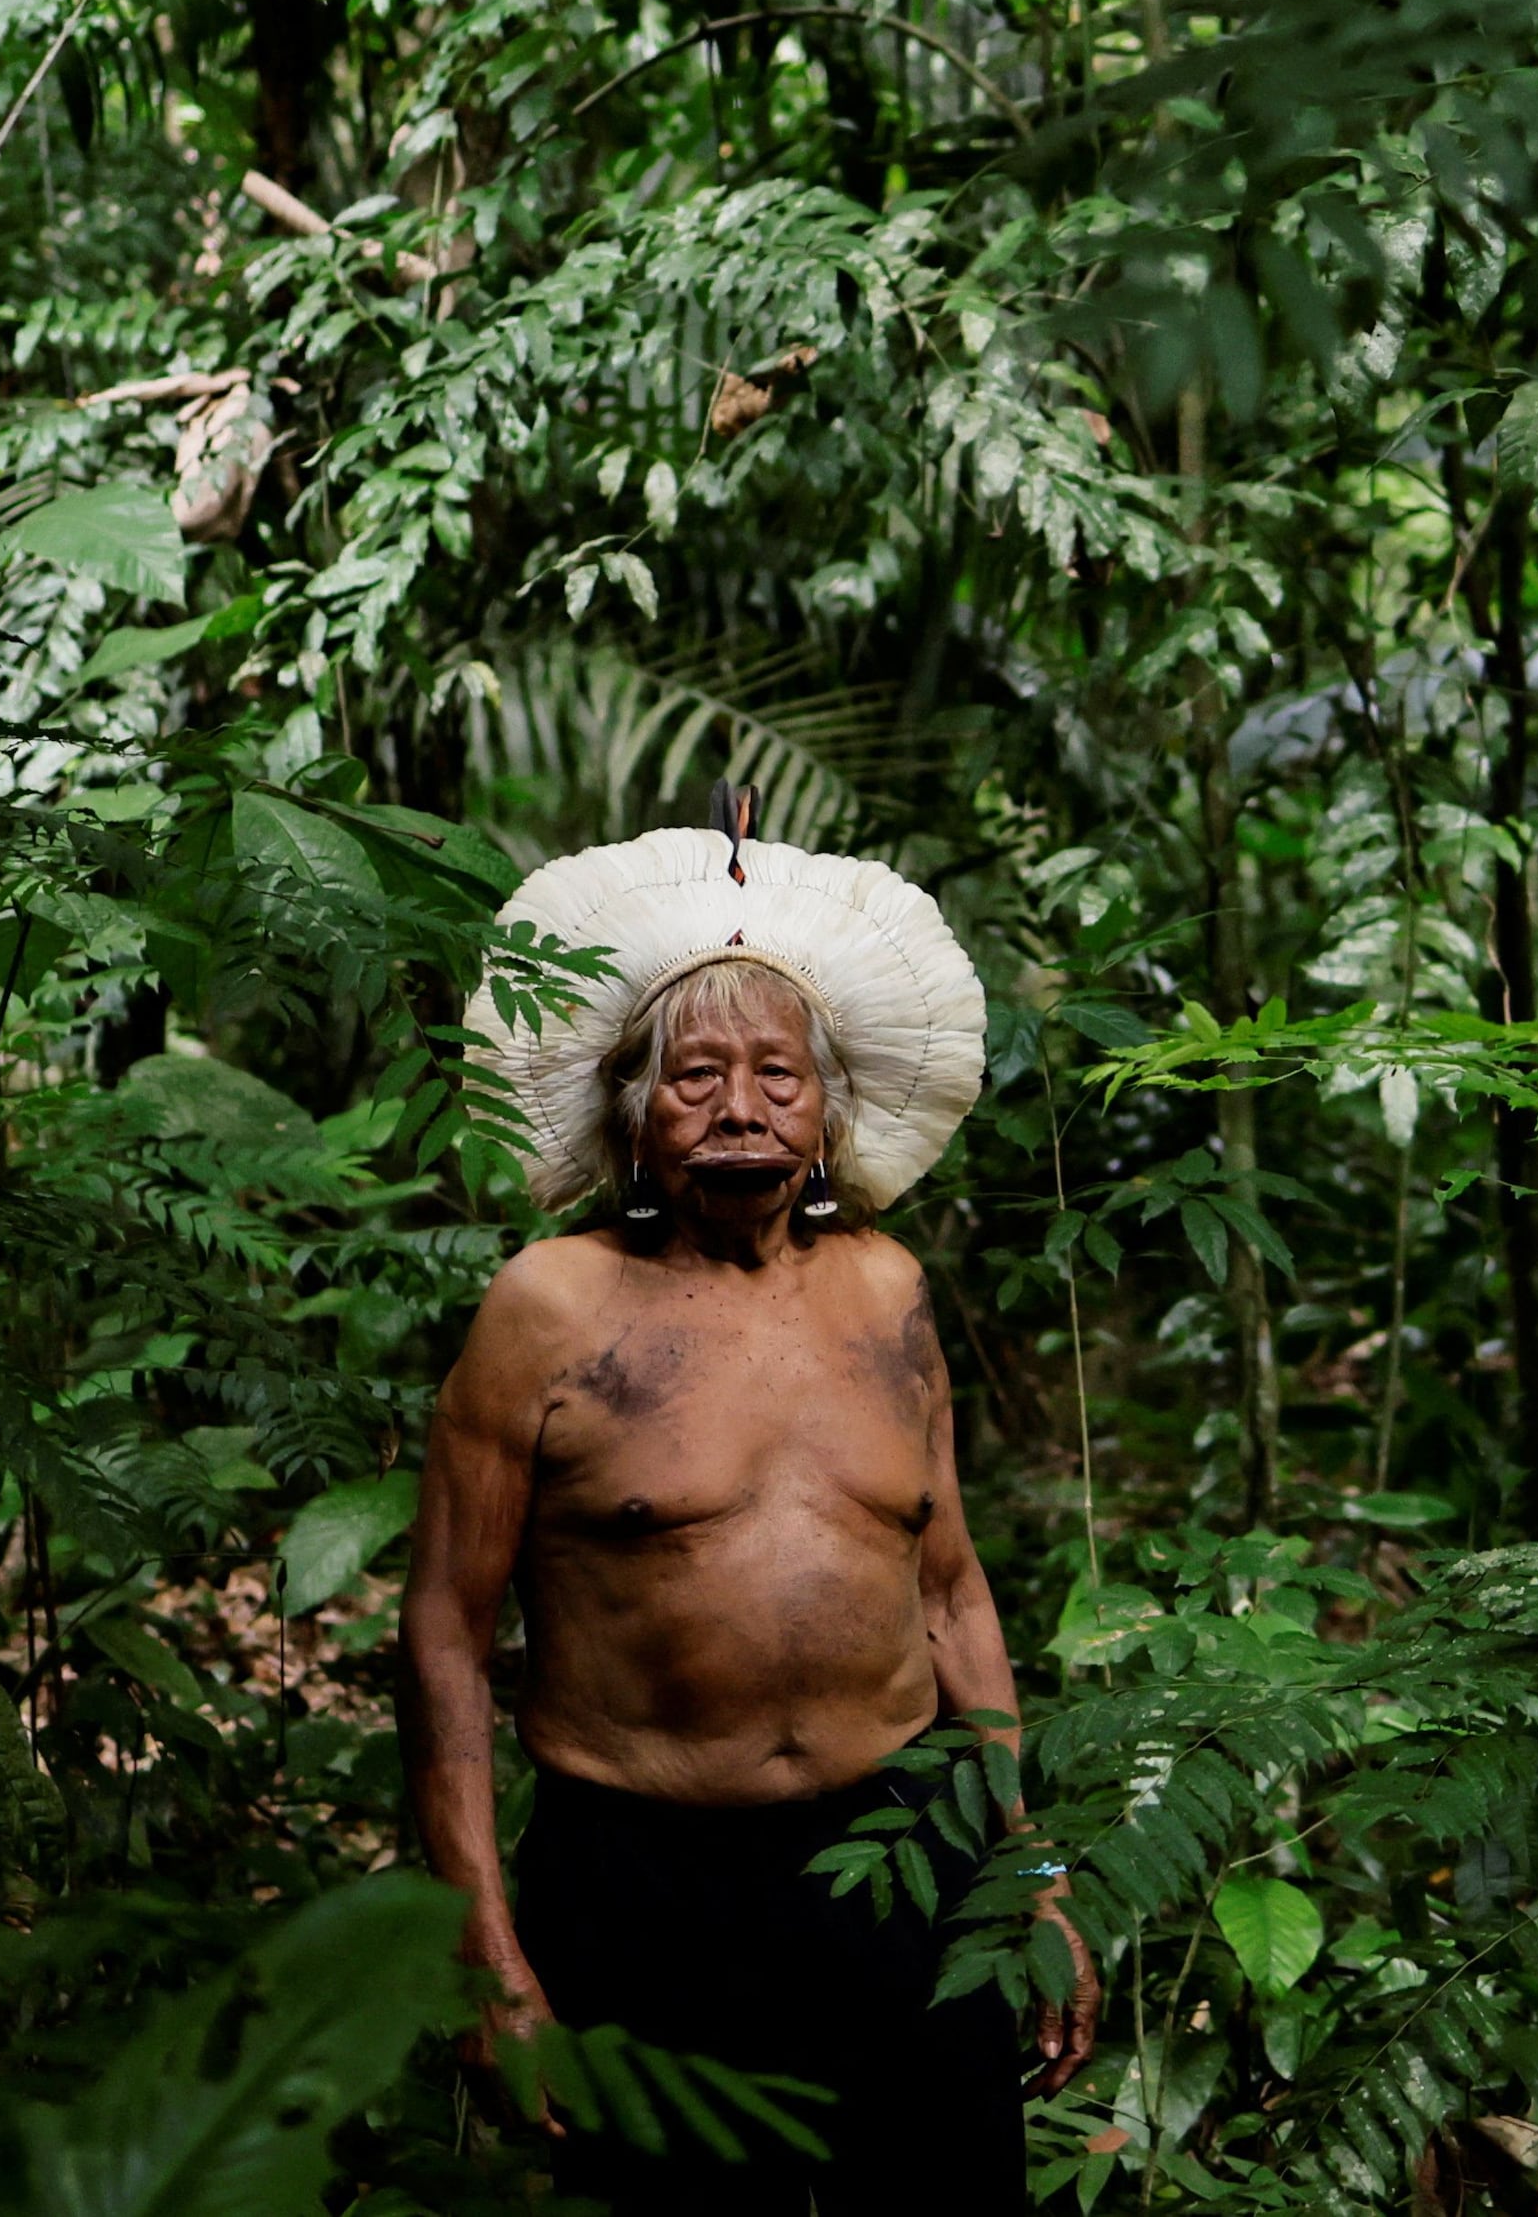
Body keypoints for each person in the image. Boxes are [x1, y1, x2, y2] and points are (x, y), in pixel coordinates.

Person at [406, 825, 1099, 2215]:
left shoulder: (889, 1286)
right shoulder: (548, 1308)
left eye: (777, 1073)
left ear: (824, 1112)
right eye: (698, 1075)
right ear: (635, 1114)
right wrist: (485, 1947)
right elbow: (444, 1634)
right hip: (644, 1880)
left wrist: (1033, 1877)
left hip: (909, 1846)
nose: (741, 1105)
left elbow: (954, 1594)